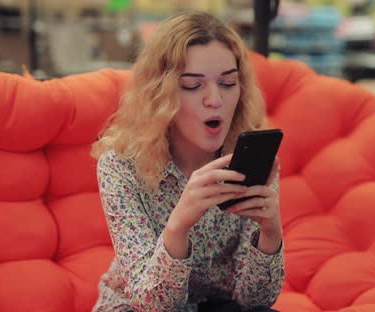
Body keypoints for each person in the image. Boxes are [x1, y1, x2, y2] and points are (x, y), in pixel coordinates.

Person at [91, 11, 285, 312]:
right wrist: (178, 226)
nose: (215, 100)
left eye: (228, 83)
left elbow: (255, 301)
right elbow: (152, 304)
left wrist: (270, 234)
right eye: (193, 86)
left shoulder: (251, 161)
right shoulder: (121, 166)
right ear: (161, 94)